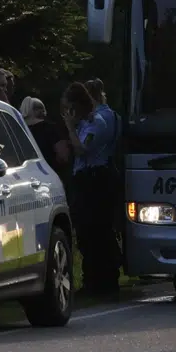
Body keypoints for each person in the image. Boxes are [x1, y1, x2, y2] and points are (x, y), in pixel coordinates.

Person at [63, 82, 121, 296]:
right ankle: (102, 278)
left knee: (93, 230)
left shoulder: (98, 121)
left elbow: (81, 149)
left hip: (94, 179)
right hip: (97, 176)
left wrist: (70, 127)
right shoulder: (107, 117)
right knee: (98, 230)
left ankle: (99, 280)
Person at [20, 97, 70, 179]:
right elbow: (63, 155)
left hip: (26, 176)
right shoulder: (50, 128)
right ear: (42, 110)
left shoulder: (19, 130)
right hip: (50, 174)